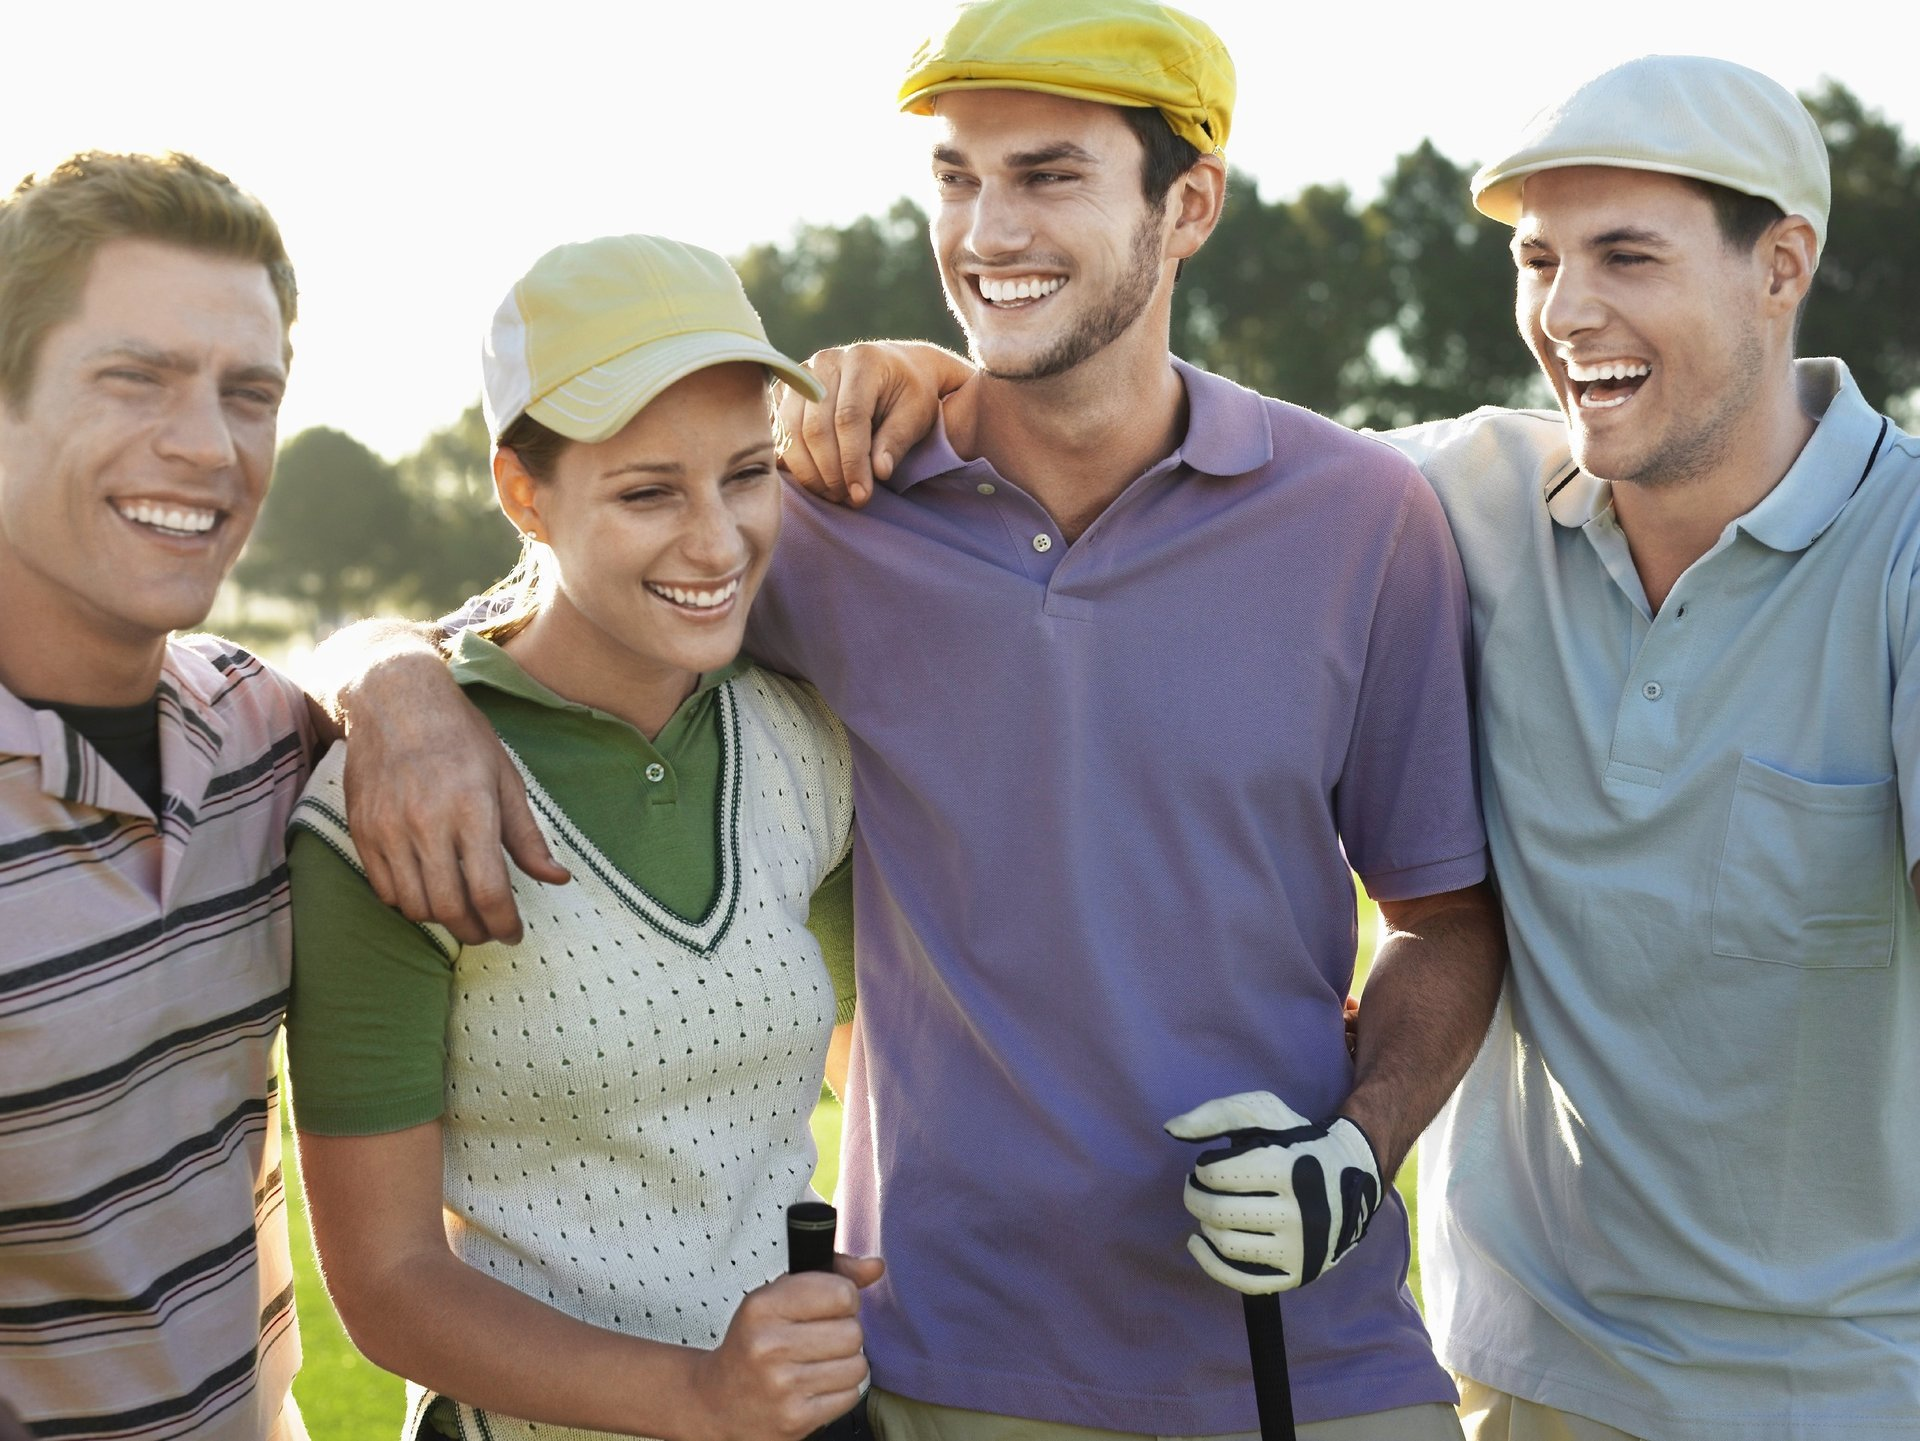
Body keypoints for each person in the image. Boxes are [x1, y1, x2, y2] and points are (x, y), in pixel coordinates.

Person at [316, 3, 1506, 1437]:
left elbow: (1445, 917)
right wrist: (390, 678)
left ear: (1189, 204)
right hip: (941, 1364)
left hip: (1307, 1361)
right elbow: (550, 614)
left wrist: (1359, 1151)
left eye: (1048, 175)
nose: (989, 230)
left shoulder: (1364, 517)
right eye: (958, 176)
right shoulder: (819, 519)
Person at [784, 53, 1920, 1441]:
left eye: (1627, 256)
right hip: (1527, 1368)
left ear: (1783, 265)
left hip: (1853, 1386)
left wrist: (1358, 1137)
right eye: (1539, 260)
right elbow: (1140, 446)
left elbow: (1437, 907)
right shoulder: (1450, 495)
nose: (1567, 313)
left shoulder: (1898, 556)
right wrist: (929, 376)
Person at [283, 233, 880, 1441]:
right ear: (523, 494)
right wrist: (700, 1396)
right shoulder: (394, 799)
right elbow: (388, 1283)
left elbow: (877, 1078)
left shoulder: (807, 741)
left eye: (747, 473)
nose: (718, 542)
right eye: (648, 492)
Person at [0, 151, 318, 1439]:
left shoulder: (260, 732)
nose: (207, 445)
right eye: (135, 377)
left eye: (250, 393)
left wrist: (402, 683)